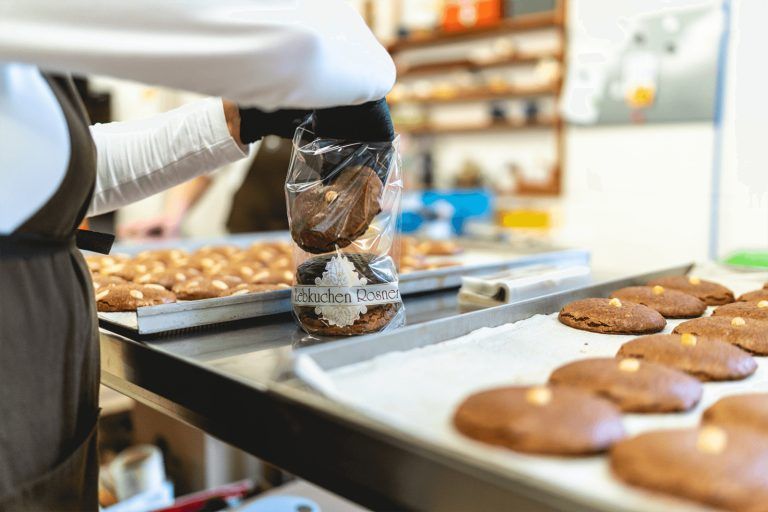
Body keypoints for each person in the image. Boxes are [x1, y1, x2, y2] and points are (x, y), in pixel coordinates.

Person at [0, 1, 395, 509]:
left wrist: (238, 117)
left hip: (37, 361)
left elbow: (57, 170)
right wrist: (356, 92)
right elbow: (308, 42)